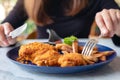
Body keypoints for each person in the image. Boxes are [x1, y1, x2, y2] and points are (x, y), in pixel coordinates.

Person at [0, 0, 120, 47]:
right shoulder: (27, 2)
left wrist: (117, 23)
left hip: (81, 60)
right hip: (37, 66)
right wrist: (4, 37)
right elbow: (6, 28)